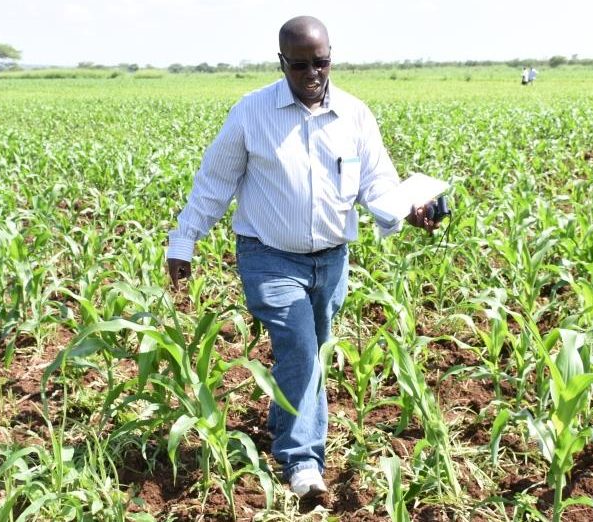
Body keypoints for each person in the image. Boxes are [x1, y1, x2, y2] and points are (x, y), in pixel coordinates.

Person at [165, 15, 438, 502]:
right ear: (281, 62)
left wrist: (410, 211)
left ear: (331, 56)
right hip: (268, 257)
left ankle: (282, 423)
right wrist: (183, 242)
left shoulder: (354, 115)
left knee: (312, 350)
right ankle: (304, 463)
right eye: (300, 65)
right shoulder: (252, 113)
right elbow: (214, 184)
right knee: (299, 348)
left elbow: (377, 185)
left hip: (331, 260)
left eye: (322, 62)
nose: (313, 73)